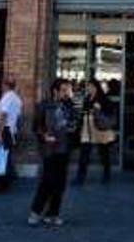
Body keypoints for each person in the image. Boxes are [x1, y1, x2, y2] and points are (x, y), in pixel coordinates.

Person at [29, 78, 77, 227]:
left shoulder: (68, 106)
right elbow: (36, 126)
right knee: (48, 181)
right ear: (55, 91)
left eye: (67, 90)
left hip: (64, 148)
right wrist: (44, 136)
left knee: (60, 183)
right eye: (63, 90)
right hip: (50, 149)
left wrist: (73, 127)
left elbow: (74, 122)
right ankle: (35, 212)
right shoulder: (44, 106)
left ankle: (53, 214)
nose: (66, 93)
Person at [74, 78, 116, 185]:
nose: (89, 89)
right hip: (87, 127)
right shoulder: (87, 98)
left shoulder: (103, 98)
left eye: (92, 86)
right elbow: (84, 111)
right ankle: (80, 178)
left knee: (104, 153)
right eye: (88, 87)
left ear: (96, 87)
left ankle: (107, 175)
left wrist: (99, 108)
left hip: (100, 128)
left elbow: (110, 110)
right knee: (84, 153)